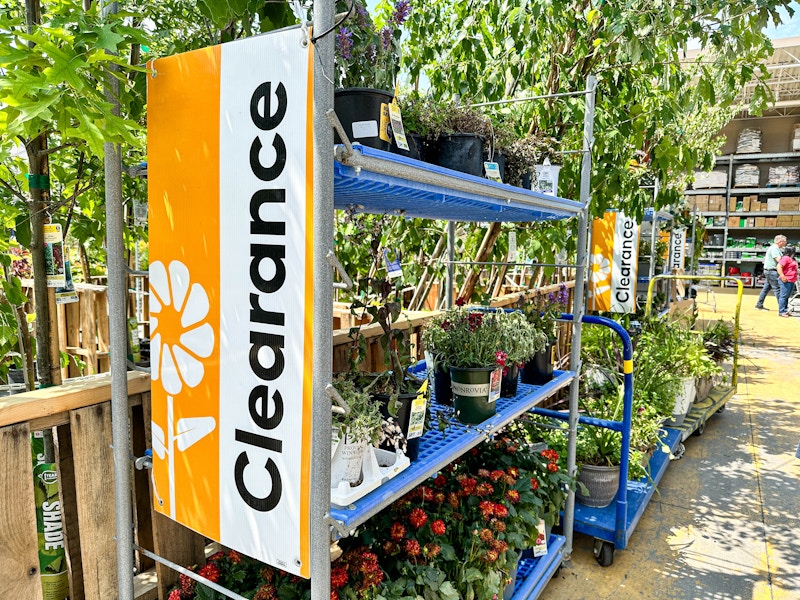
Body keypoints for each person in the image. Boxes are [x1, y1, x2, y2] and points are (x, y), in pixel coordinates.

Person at [755, 234, 787, 310]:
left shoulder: (776, 248)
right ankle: (782, 309)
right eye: (785, 241)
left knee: (766, 289)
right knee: (778, 289)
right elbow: (779, 260)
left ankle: (759, 305)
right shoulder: (774, 249)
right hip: (772, 272)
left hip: (769, 271)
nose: (785, 243)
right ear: (780, 242)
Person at [777, 246, 798, 318]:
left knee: (787, 296)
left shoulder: (792, 259)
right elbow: (779, 266)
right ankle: (782, 311)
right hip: (786, 279)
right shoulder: (785, 258)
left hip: (792, 280)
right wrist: (782, 276)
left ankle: (785, 310)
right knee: (783, 296)